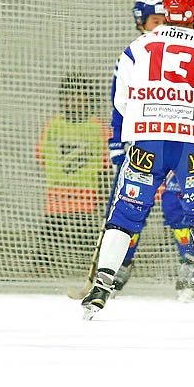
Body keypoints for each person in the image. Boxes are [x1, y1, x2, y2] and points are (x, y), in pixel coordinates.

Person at [80, 0, 194, 321]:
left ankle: (102, 285)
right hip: (191, 143)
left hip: (147, 140)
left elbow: (120, 101)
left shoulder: (137, 47)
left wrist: (134, 128)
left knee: (127, 211)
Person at [106, 0, 194, 299]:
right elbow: (119, 104)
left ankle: (191, 262)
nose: (161, 27)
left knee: (177, 204)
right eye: (155, 22)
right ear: (141, 23)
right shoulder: (135, 55)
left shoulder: (191, 51)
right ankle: (119, 264)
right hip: (143, 141)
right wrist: (118, 142)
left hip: (180, 142)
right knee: (129, 205)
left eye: (165, 20)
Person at [37, 73, 110, 272]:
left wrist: (104, 192)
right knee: (50, 232)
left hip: (87, 195)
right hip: (58, 194)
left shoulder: (98, 128)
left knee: (86, 235)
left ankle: (93, 266)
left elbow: (106, 163)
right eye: (72, 96)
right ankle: (42, 266)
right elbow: (43, 156)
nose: (77, 101)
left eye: (82, 96)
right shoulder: (53, 125)